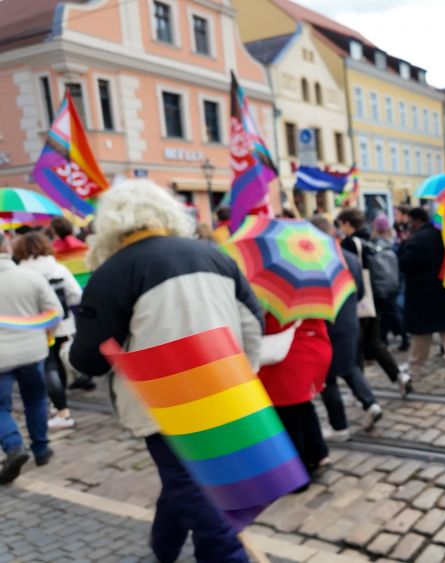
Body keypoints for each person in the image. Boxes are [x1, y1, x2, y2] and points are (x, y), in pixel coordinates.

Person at [69, 180, 262, 563]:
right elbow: (253, 323)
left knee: (204, 509)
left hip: (165, 407)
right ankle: (164, 549)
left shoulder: (112, 272)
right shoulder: (215, 255)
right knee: (186, 484)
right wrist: (245, 374)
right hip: (226, 392)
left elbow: (89, 359)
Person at [309, 216, 382, 438]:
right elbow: (359, 290)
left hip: (325, 324)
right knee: (349, 366)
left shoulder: (312, 260)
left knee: (327, 377)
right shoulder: (348, 257)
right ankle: (370, 403)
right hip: (349, 321)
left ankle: (339, 426)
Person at [0, 235, 60, 485]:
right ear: (6, 247)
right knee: (35, 399)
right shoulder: (31, 277)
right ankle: (41, 449)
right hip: (33, 351)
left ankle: (14, 446)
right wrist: (45, 334)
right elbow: (55, 312)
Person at [336, 208, 411, 397]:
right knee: (374, 342)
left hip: (359, 300)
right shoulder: (372, 239)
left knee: (357, 346)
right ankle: (399, 376)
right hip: (376, 298)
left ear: (347, 223)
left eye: (341, 224)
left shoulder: (349, 244)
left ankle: (363, 393)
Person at [12, 232, 82, 430]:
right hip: (62, 324)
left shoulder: (20, 272)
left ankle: (62, 410)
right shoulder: (57, 268)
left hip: (37, 326)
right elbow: (76, 294)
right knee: (58, 364)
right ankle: (59, 401)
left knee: (49, 367)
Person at [256, 314, 329, 488]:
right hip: (310, 354)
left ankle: (299, 478)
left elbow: (266, 329)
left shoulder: (272, 307)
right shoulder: (308, 301)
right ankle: (318, 454)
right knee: (304, 409)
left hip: (287, 366)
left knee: (290, 422)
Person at [398, 207, 445, 381]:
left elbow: (405, 263)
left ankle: (415, 369)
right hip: (444, 291)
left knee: (421, 335)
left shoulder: (419, 239)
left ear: (416, 221)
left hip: (422, 294)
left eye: (410, 221)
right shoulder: (444, 236)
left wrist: (404, 244)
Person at [371, 215, 408, 352]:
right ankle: (392, 338)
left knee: (387, 314)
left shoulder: (374, 244)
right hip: (394, 283)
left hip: (380, 285)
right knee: (391, 312)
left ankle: (389, 339)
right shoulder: (393, 242)